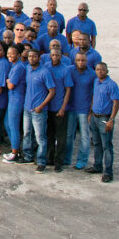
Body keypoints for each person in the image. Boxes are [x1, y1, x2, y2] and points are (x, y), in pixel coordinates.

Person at [22, 48, 56, 171]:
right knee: (27, 134)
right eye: (29, 56)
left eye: (34, 56)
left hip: (39, 111)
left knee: (40, 137)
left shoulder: (44, 72)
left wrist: (41, 106)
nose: (31, 58)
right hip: (27, 108)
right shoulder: (28, 69)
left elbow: (52, 91)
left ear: (39, 58)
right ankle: (27, 156)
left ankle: (41, 161)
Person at [87, 62, 119, 182]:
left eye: (102, 70)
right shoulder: (96, 82)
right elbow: (93, 97)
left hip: (105, 118)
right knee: (96, 144)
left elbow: (116, 103)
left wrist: (111, 119)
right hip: (95, 117)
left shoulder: (112, 85)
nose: (100, 71)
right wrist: (90, 112)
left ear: (107, 71)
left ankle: (108, 172)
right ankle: (97, 166)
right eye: (97, 69)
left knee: (107, 146)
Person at [45, 42, 75, 172]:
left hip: (59, 108)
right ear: (50, 55)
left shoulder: (65, 69)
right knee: (49, 135)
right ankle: (50, 158)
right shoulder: (46, 67)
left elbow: (68, 90)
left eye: (57, 55)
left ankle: (59, 162)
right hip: (48, 107)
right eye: (53, 55)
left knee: (61, 137)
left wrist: (63, 107)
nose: (55, 57)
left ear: (61, 56)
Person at [64, 51, 97, 169]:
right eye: (78, 60)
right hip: (71, 108)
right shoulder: (69, 70)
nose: (80, 62)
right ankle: (66, 158)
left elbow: (94, 93)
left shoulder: (92, 74)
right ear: (75, 60)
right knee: (69, 135)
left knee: (84, 136)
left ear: (87, 61)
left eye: (83, 60)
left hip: (84, 109)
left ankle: (82, 161)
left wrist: (91, 111)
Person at [2, 44, 28, 163]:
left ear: (18, 55)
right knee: (7, 123)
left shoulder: (19, 67)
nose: (9, 56)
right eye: (8, 54)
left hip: (17, 99)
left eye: (12, 54)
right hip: (11, 99)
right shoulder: (14, 66)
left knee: (13, 126)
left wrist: (8, 81)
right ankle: (14, 148)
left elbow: (11, 85)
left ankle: (15, 153)